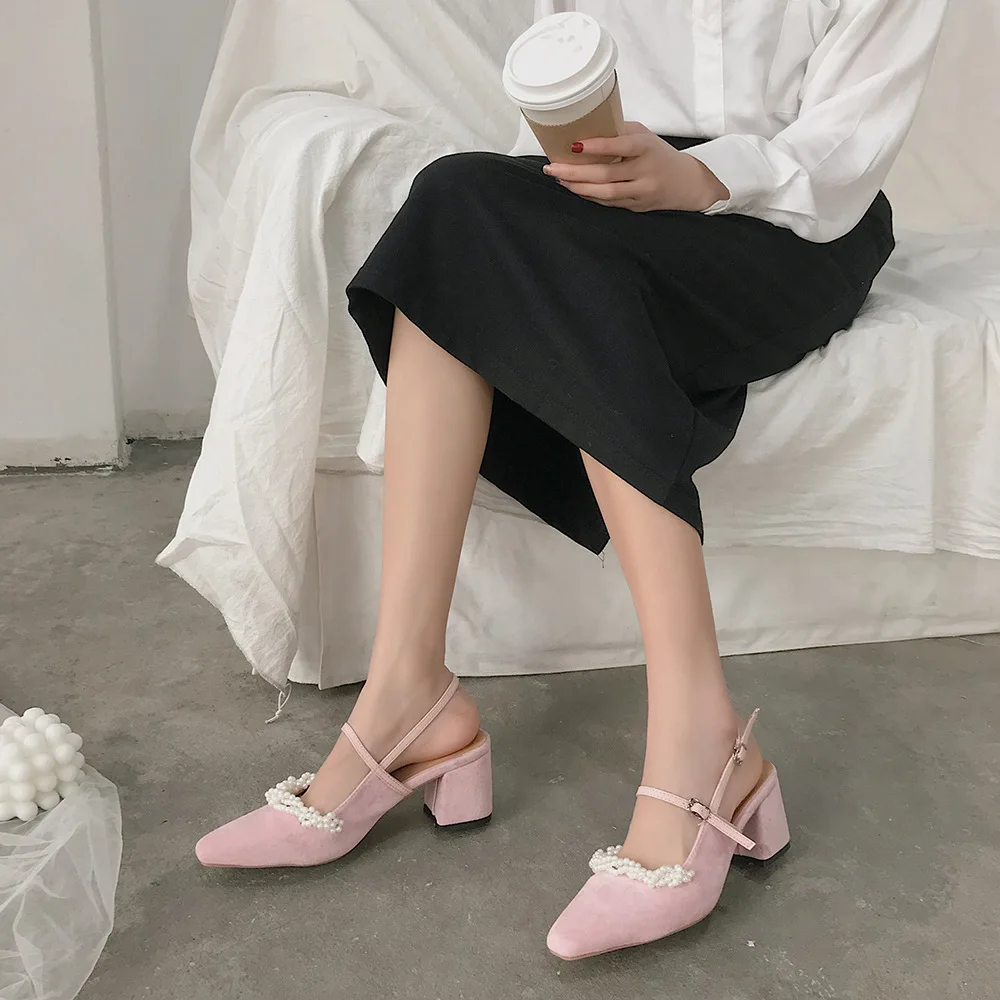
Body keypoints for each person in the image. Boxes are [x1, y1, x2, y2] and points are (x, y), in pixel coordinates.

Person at [194, 0, 950, 960]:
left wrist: (704, 175)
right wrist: (578, 170)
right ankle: (405, 690)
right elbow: (562, 74)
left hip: (791, 219)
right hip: (614, 190)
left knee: (541, 256)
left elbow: (849, 144)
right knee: (456, 201)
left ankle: (700, 733)